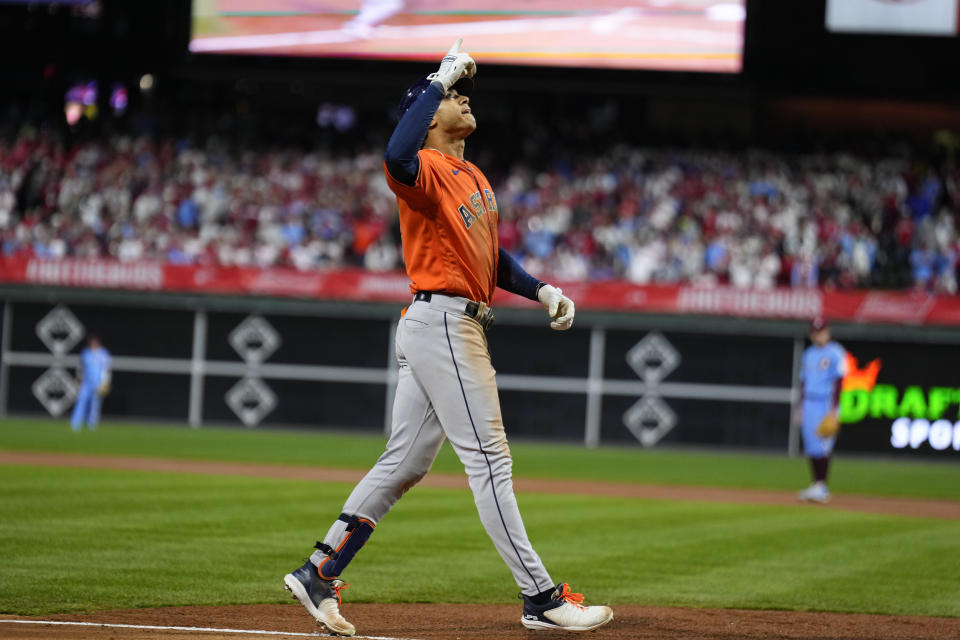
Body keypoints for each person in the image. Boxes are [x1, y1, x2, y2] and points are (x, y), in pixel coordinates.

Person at [283, 40, 614, 636]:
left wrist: (539, 290)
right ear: (430, 115)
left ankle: (318, 573)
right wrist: (436, 79)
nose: (463, 97)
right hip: (443, 322)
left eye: (460, 91)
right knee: (490, 460)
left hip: (445, 320)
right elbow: (394, 155)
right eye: (453, 96)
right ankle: (540, 596)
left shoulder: (471, 173)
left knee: (404, 462)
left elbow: (489, 257)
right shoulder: (424, 167)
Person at [796, 317, 846, 503]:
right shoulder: (808, 353)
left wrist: (834, 409)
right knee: (811, 445)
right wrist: (801, 406)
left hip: (825, 402)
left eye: (822, 331)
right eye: (816, 332)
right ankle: (816, 484)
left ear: (828, 331)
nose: (819, 335)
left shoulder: (836, 352)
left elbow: (839, 381)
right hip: (809, 401)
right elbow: (803, 381)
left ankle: (823, 487)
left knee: (822, 445)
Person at [70, 334, 111, 431]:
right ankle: (75, 424)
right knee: (81, 401)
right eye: (92, 341)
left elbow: (106, 369)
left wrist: (105, 383)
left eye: (95, 341)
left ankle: (92, 425)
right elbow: (80, 367)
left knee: (94, 405)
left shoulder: (103, 353)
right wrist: (78, 379)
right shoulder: (86, 353)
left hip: (98, 383)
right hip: (86, 382)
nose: (93, 343)